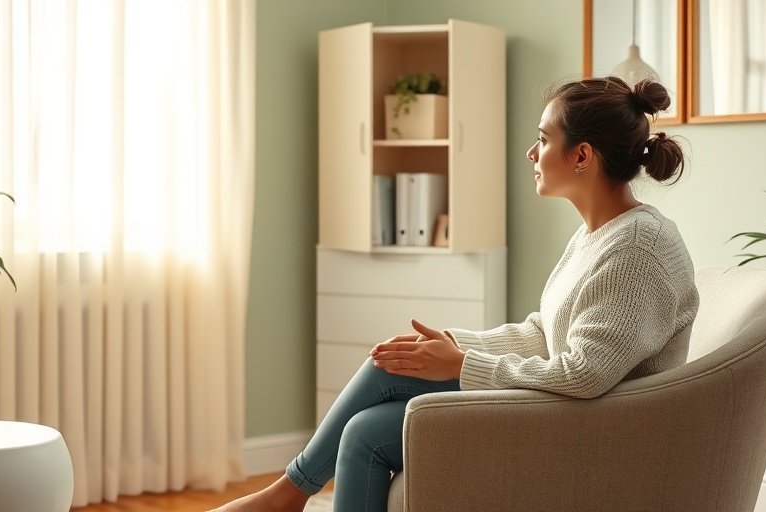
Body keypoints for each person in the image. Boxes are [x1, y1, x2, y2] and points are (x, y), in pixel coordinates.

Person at [210, 75, 699, 512]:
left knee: (369, 428)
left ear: (582, 155)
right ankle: (288, 494)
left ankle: (285, 495)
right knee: (387, 373)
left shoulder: (637, 248)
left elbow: (584, 374)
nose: (531, 153)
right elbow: (543, 334)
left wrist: (463, 365)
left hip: (587, 430)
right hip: (560, 408)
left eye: (543, 139)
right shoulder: (601, 233)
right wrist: (454, 345)